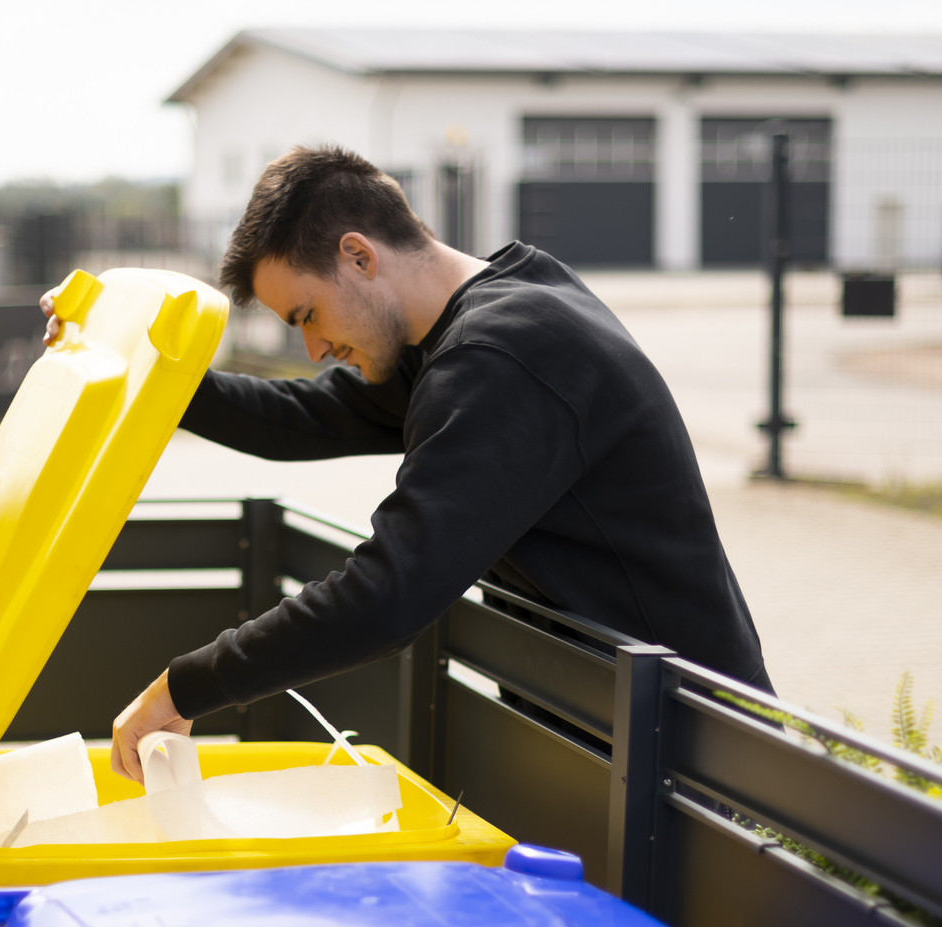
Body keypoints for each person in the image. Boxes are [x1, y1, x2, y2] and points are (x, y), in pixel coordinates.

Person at [42, 146, 771, 784]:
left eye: (307, 316)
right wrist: (137, 367)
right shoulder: (472, 328)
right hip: (611, 721)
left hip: (687, 758)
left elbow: (387, 593)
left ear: (359, 256)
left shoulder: (503, 357)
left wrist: (183, 688)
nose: (313, 349)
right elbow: (297, 418)